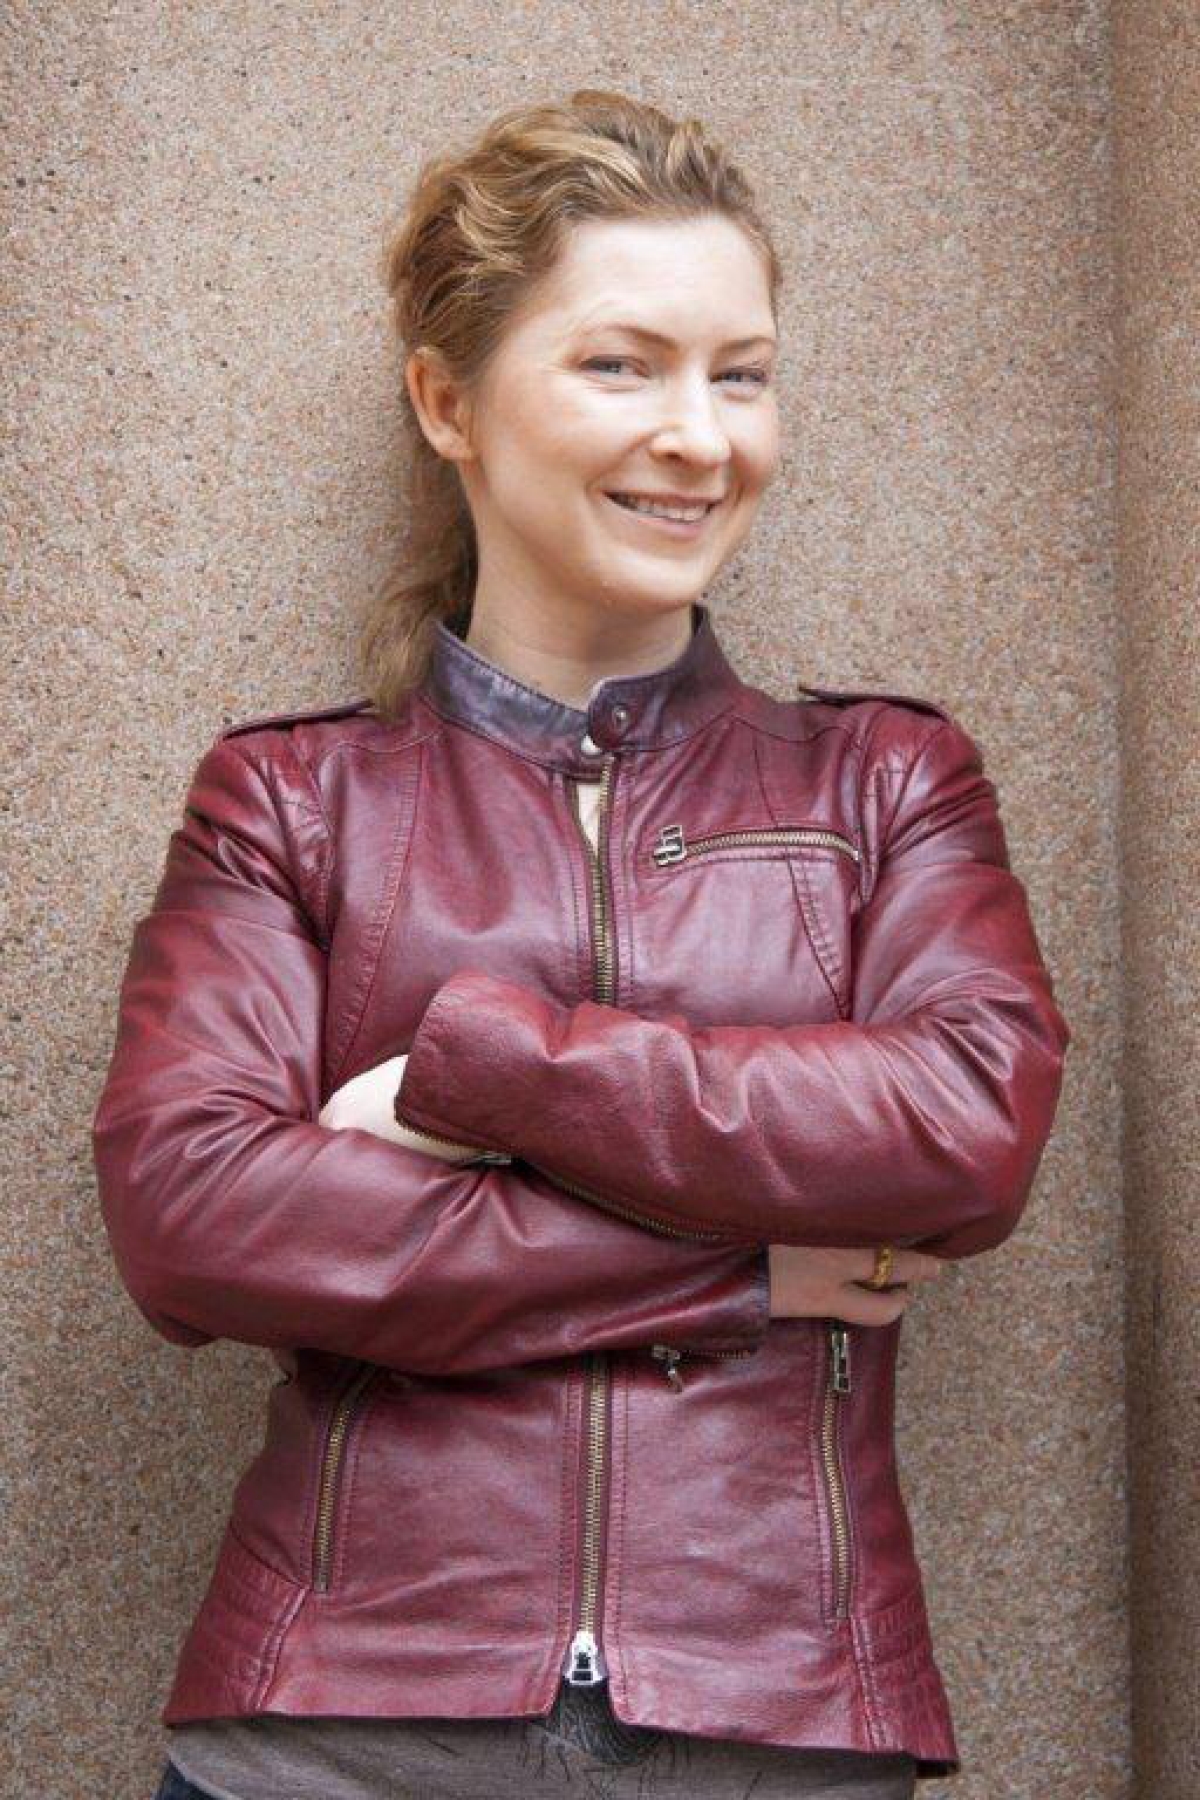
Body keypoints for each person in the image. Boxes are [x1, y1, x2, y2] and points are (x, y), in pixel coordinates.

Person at [92, 89, 1070, 1800]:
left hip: (772, 1725)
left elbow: (967, 1129)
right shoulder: (291, 798)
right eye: (623, 365)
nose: (700, 435)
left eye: (741, 374)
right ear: (447, 401)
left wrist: (489, 1067)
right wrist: (746, 1273)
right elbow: (193, 1219)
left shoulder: (888, 780)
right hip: (334, 1731)